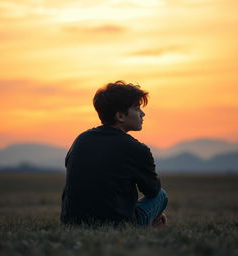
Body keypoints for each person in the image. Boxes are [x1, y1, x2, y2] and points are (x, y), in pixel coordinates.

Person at [60, 81, 168, 227]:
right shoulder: (137, 149)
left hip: (72, 222)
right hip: (117, 224)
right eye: (137, 109)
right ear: (120, 116)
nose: (143, 114)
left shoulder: (80, 140)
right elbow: (153, 190)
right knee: (162, 195)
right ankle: (150, 224)